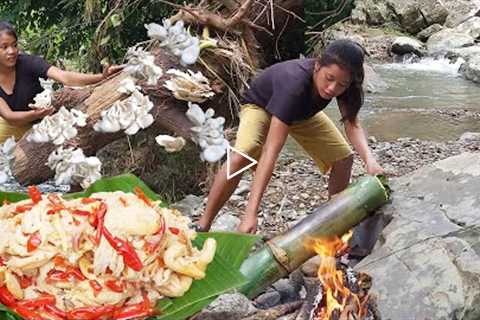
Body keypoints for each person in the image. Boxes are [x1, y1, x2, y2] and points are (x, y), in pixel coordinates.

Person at [198, 39, 384, 234]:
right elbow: (271, 150)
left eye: (341, 85)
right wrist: (250, 213)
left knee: (344, 158)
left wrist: (370, 161)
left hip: (301, 114)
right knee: (244, 153)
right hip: (260, 106)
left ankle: (334, 223)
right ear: (317, 66)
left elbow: (352, 124)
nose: (332, 89)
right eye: (329, 78)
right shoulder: (293, 83)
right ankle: (203, 224)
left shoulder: (347, 83)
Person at [0, 21, 121, 143]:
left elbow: (64, 77)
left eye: (14, 45)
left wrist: (102, 77)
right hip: (12, 125)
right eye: (4, 47)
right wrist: (35, 114)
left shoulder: (28, 63)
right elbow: (10, 117)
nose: (12, 51)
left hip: (44, 121)